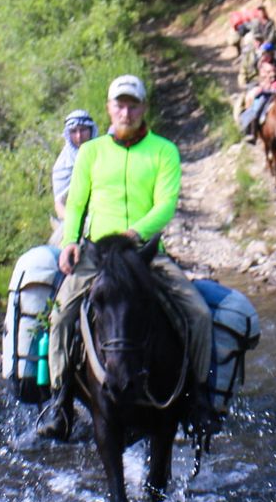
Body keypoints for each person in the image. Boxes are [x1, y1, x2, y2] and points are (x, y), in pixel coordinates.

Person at [37, 75, 217, 440]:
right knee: (59, 317)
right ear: (108, 108)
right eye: (119, 104)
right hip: (96, 255)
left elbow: (165, 205)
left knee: (197, 315)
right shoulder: (91, 152)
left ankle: (199, 397)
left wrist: (135, 234)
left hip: (145, 253)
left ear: (143, 108)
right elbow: (76, 204)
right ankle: (60, 401)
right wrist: (70, 240)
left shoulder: (164, 150)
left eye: (133, 104)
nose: (126, 111)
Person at [50, 110, 99, 245]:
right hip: (73, 221)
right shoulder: (62, 165)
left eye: (83, 130)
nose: (79, 136)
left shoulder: (104, 153)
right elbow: (59, 204)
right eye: (74, 131)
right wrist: (77, 221)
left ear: (91, 130)